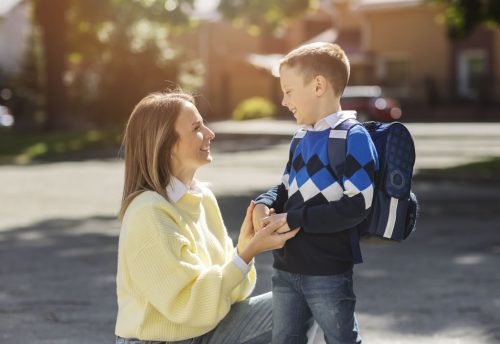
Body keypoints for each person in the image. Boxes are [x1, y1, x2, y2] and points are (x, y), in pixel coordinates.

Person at [115, 91, 299, 344]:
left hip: (204, 331)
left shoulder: (202, 197)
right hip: (161, 340)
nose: (210, 133)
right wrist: (245, 255)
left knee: (307, 302)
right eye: (196, 128)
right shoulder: (148, 213)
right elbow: (187, 307)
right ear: (167, 145)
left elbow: (234, 295)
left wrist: (244, 250)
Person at [252, 42, 379, 344]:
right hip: (285, 268)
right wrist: (264, 201)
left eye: (289, 90)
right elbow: (285, 187)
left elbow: (356, 206)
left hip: (327, 272)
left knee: (341, 339)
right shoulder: (300, 138)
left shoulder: (353, 137)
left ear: (319, 85)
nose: (283, 100)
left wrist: (292, 218)